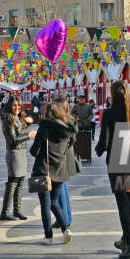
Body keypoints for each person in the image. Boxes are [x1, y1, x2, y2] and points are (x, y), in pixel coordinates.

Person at [95, 80, 130, 259]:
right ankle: (125, 240)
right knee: (129, 200)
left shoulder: (109, 113)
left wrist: (98, 150)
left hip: (117, 160)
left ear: (113, 94)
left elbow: (104, 141)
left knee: (122, 202)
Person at [30, 98, 77, 245]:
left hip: (44, 169)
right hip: (60, 169)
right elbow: (69, 145)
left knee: (45, 204)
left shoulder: (44, 127)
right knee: (55, 202)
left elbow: (34, 151)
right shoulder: (67, 129)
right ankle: (65, 229)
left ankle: (48, 236)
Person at [0, 96, 36, 221]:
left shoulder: (17, 118)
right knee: (12, 183)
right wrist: (29, 135)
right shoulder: (8, 119)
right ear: (10, 106)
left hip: (21, 152)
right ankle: (5, 212)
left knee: (20, 183)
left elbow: (19, 131)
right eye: (14, 105)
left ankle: (16, 210)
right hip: (14, 153)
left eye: (19, 105)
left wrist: (27, 123)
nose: (17, 107)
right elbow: (13, 140)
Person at [51, 98, 78, 229]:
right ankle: (67, 217)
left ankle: (63, 219)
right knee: (64, 187)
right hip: (68, 155)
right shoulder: (71, 120)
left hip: (61, 156)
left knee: (60, 187)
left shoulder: (62, 122)